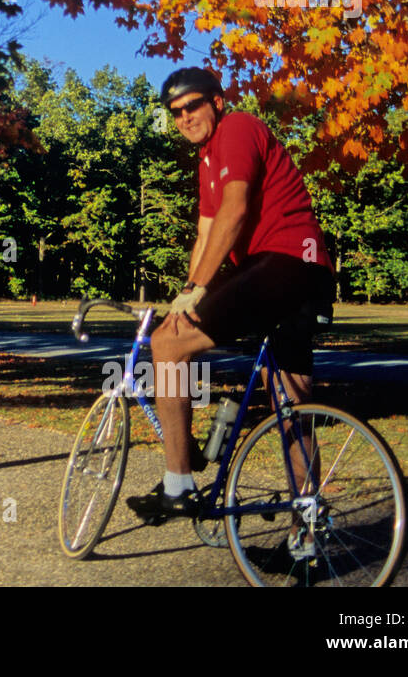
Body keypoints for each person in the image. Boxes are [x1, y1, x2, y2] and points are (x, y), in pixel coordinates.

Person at [127, 67, 336, 521]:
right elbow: (205, 235)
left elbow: (235, 210)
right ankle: (310, 533)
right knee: (290, 403)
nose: (183, 117)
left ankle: (178, 484)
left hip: (285, 264)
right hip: (302, 272)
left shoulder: (240, 127)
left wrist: (199, 287)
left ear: (216, 102)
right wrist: (188, 293)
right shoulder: (205, 161)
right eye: (174, 112)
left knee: (166, 344)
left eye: (192, 105)